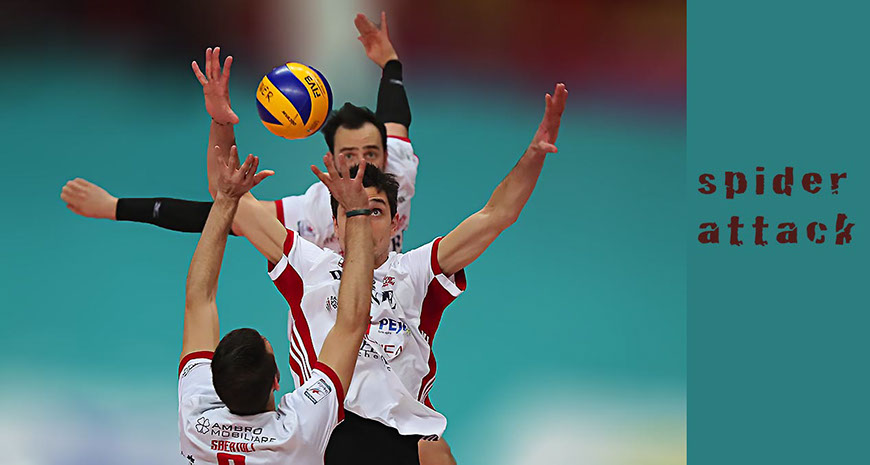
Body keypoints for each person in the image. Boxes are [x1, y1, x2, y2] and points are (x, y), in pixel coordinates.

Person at [222, 82, 568, 465]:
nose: (365, 221)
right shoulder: (309, 266)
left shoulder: (417, 272)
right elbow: (233, 204)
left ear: (393, 222)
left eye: (376, 211)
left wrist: (534, 154)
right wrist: (221, 120)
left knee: (437, 454)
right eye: (353, 211)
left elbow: (496, 215)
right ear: (336, 225)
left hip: (404, 437)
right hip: (329, 434)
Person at [61, 12, 416, 254]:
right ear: (330, 163)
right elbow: (220, 209)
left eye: (371, 153)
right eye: (349, 156)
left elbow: (394, 117)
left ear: (386, 155)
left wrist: (390, 64)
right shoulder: (311, 215)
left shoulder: (399, 172)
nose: (362, 164)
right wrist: (114, 207)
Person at [178, 141, 376, 464]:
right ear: (276, 380)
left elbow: (199, 300)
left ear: (212, 382)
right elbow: (352, 322)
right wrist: (357, 212)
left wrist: (226, 199)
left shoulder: (195, 422)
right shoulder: (298, 432)